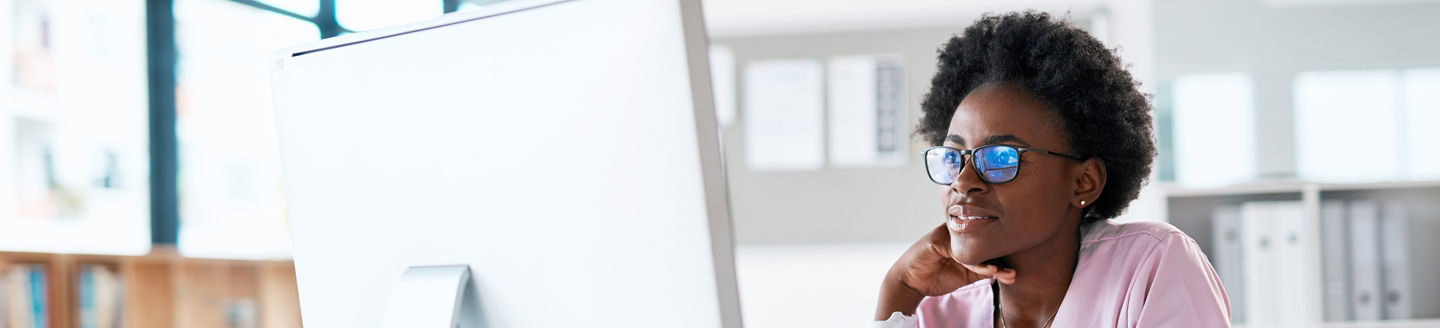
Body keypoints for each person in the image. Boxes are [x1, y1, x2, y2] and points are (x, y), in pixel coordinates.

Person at [871, 11, 1231, 327]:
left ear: (1083, 182)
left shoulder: (1150, 266)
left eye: (1000, 158)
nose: (963, 182)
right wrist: (898, 288)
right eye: (953, 157)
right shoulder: (936, 307)